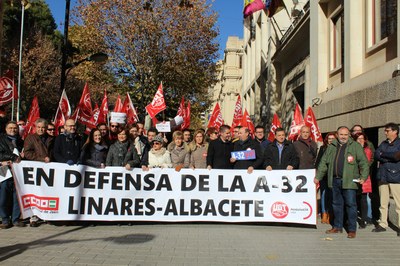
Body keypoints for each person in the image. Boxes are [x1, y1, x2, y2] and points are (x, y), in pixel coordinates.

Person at [314, 126, 369, 239]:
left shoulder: (355, 146)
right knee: (336, 205)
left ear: (349, 135)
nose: (343, 137)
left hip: (349, 181)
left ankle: (352, 229)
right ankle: (337, 226)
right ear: (337, 135)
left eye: (345, 134)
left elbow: (363, 162)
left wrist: (363, 176)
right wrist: (318, 176)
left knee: (351, 205)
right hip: (334, 180)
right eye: (341, 134)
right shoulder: (331, 147)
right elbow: (323, 162)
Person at [23, 118, 54, 227]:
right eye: (39, 127)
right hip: (35, 168)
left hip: (49, 170)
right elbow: (27, 153)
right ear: (36, 128)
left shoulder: (51, 138)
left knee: (47, 192)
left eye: (43, 127)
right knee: (35, 193)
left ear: (46, 128)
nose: (41, 129)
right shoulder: (30, 138)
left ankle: (46, 215)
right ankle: (34, 216)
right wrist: (42, 159)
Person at [372, 123, 400, 236]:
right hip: (382, 176)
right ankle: (383, 223)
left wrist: (384, 154)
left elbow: (397, 156)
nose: (385, 133)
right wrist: (389, 155)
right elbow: (377, 154)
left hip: (396, 176)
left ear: (395, 131)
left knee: (399, 204)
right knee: (383, 202)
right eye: (385, 130)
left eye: (387, 131)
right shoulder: (383, 143)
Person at [0, 121, 25, 229]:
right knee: (4, 196)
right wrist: (12, 157)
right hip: (5, 171)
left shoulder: (21, 141)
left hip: (18, 172)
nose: (13, 130)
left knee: (17, 196)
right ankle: (5, 219)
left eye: (15, 128)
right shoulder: (1, 140)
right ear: (6, 129)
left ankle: (15, 219)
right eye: (10, 128)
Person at [315, 132, 336, 224]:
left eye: (333, 138)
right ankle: (324, 213)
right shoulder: (323, 148)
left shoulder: (337, 148)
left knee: (332, 195)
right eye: (329, 138)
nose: (331, 140)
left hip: (333, 176)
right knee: (324, 194)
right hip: (324, 176)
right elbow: (318, 162)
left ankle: (330, 214)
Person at [353, 132, 373, 228]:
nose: (361, 140)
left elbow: (365, 163)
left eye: (362, 138)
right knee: (353, 199)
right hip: (353, 176)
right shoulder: (351, 149)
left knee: (363, 199)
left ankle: (364, 219)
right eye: (358, 139)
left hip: (363, 176)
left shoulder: (367, 150)